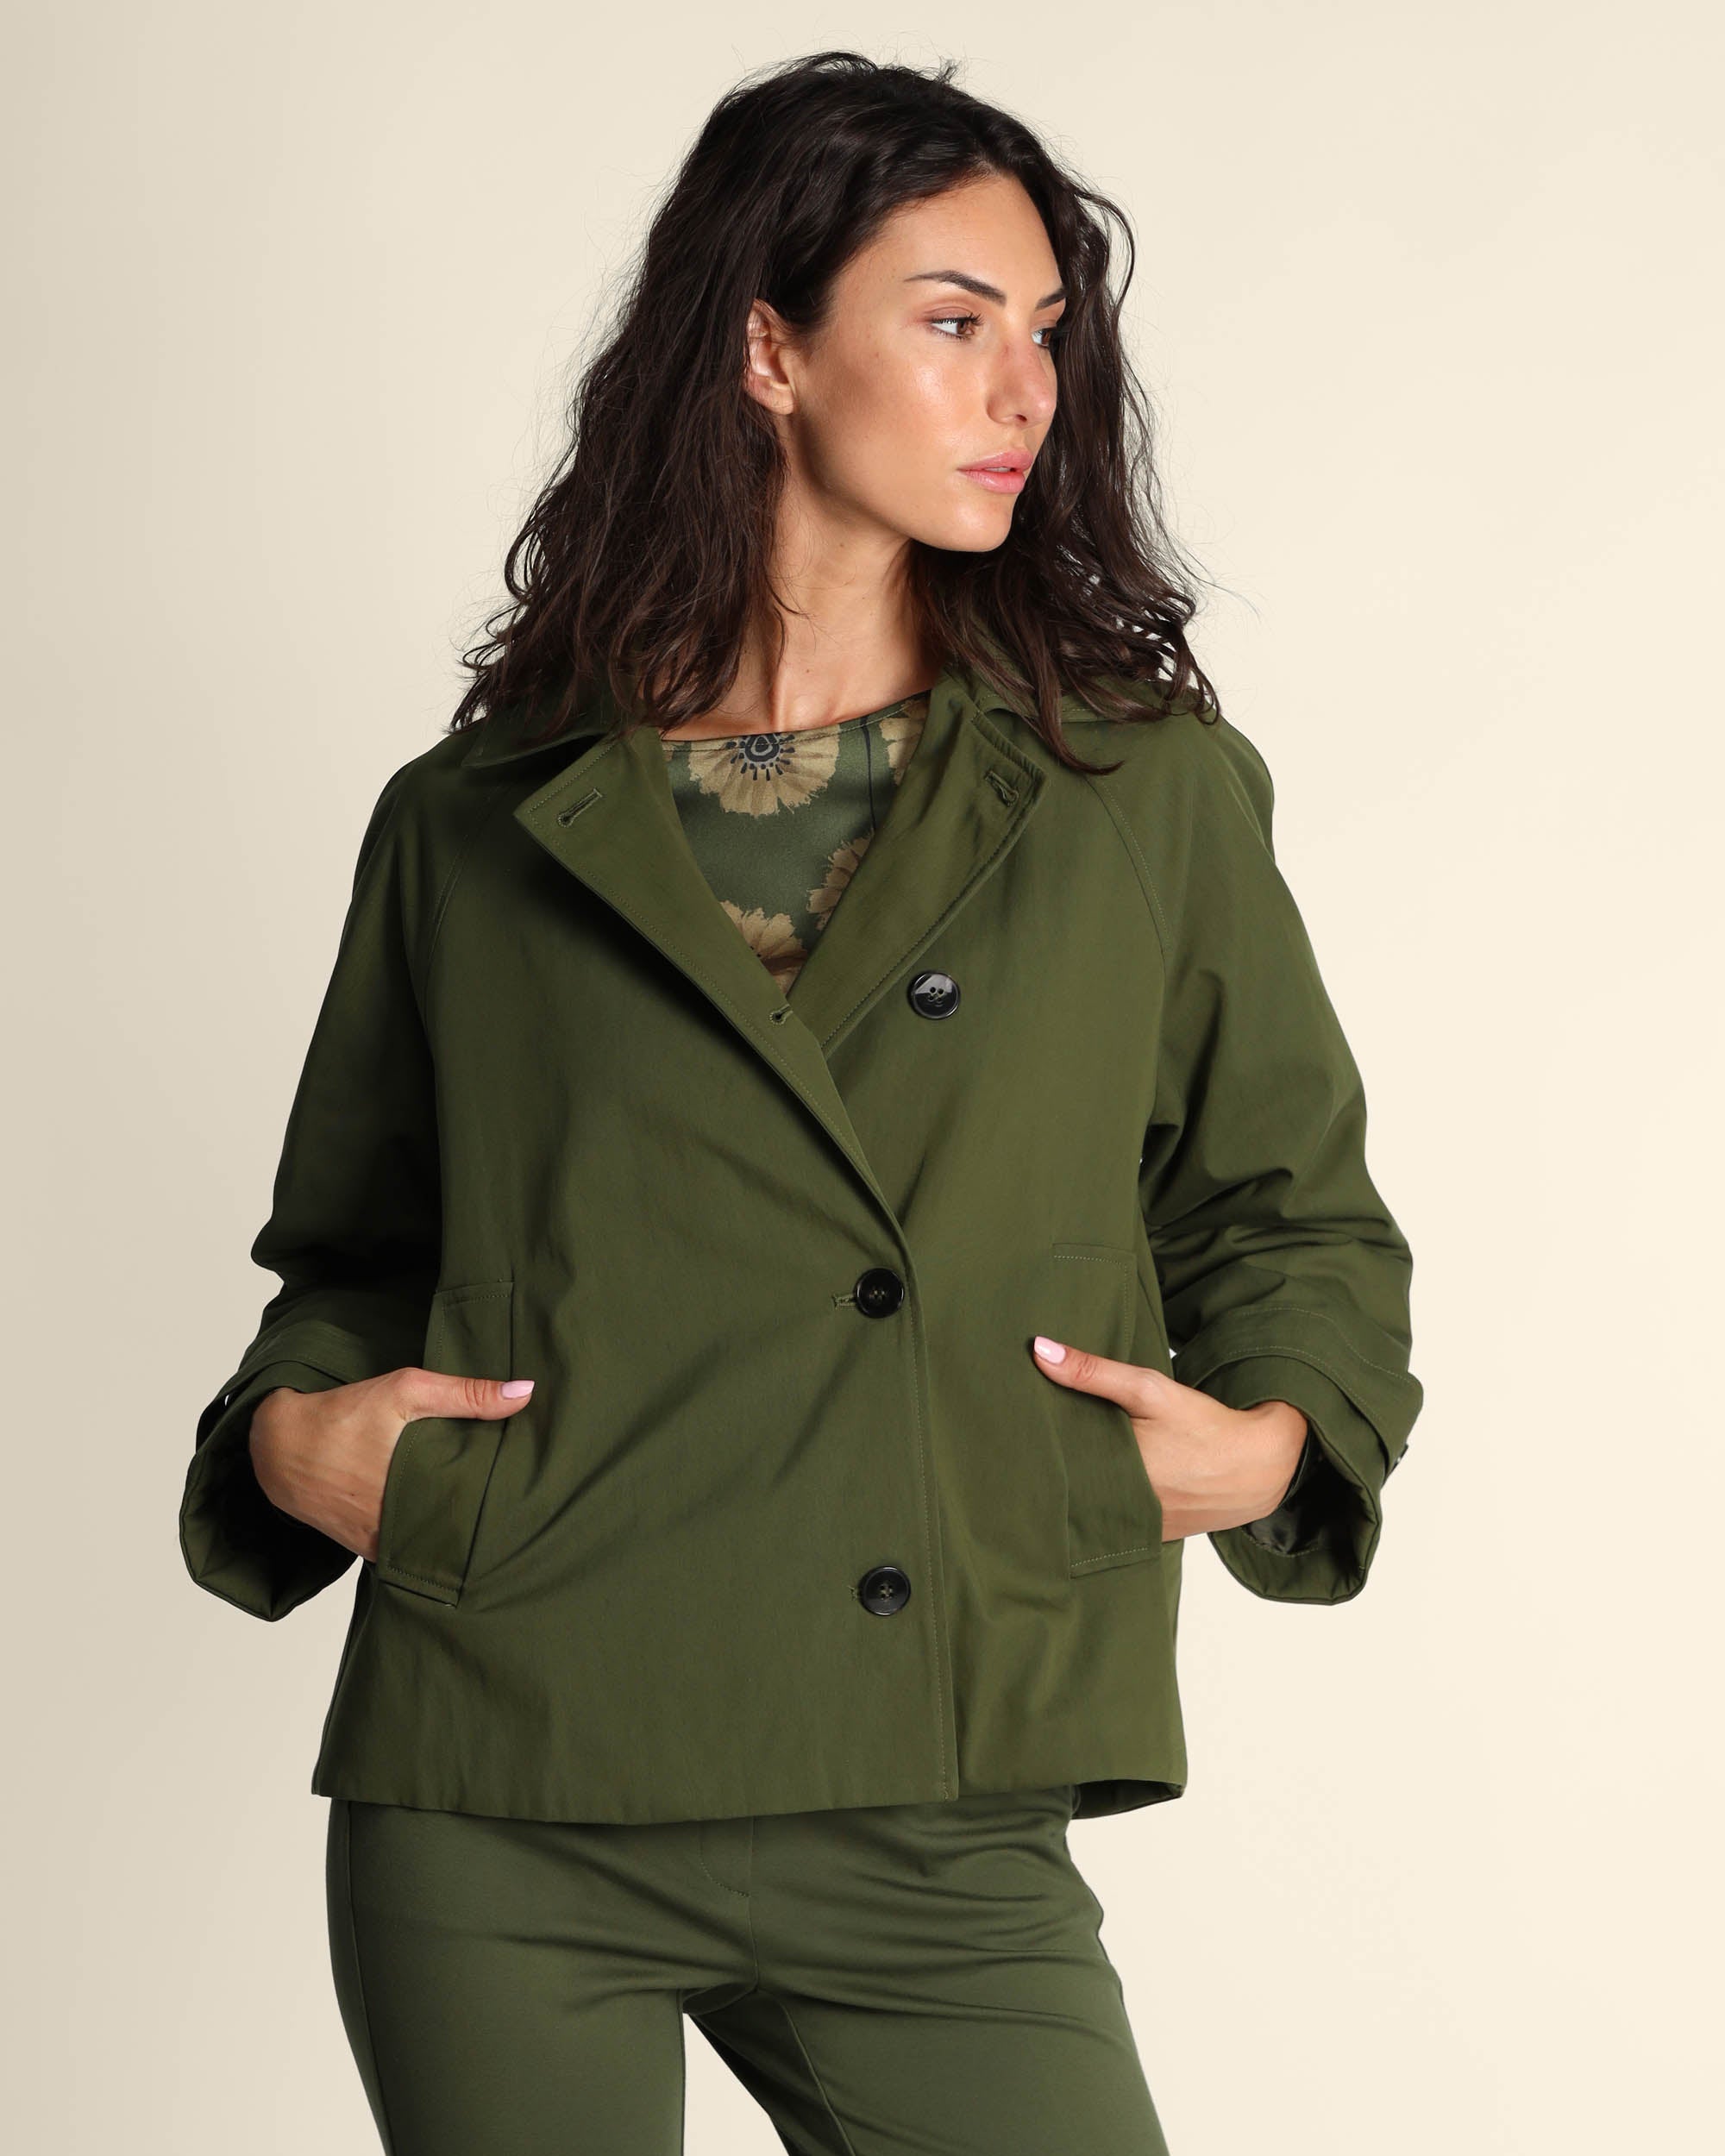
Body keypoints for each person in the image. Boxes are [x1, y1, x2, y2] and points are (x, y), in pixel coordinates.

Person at [179, 49, 1422, 2156]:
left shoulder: (1139, 792)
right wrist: (290, 1433)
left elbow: (1290, 1213)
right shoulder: (476, 816)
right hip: (510, 1772)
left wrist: (1279, 1432)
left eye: (1044, 331)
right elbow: (363, 1254)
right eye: (951, 321)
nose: (1022, 389)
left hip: (937, 1780)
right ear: (768, 351)